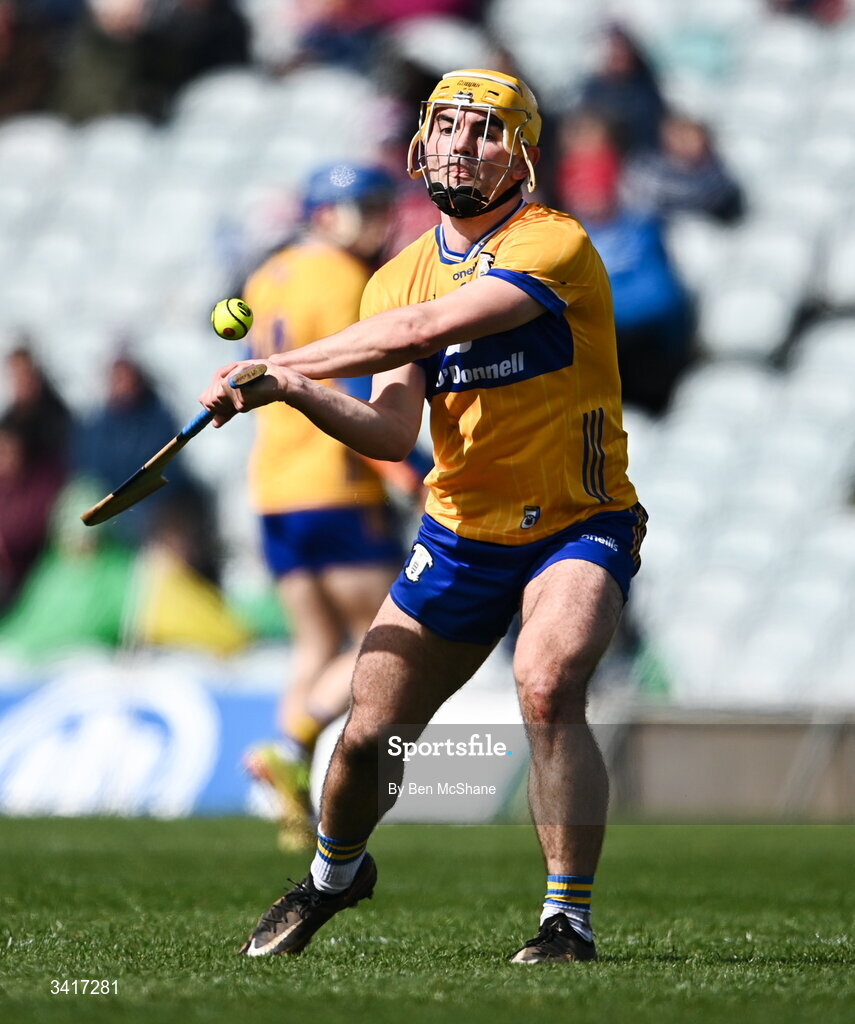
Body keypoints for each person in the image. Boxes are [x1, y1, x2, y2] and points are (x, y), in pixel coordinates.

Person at [201, 67, 647, 965]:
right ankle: (334, 875)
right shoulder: (395, 275)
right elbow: (391, 427)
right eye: (445, 126)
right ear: (418, 142)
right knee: (368, 733)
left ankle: (566, 921)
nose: (458, 144)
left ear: (520, 153)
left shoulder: (552, 244)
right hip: (459, 534)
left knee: (549, 680)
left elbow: (423, 331)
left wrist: (290, 368)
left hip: (578, 521)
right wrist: (290, 390)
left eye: (483, 130)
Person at [238, 162, 411, 851]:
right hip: (335, 482)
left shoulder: (268, 274)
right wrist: (402, 471)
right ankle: (291, 742)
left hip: (273, 488)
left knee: (314, 642)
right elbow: (363, 390)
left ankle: (288, 794)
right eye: (361, 208)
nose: (377, 220)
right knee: (380, 636)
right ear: (322, 214)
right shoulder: (348, 280)